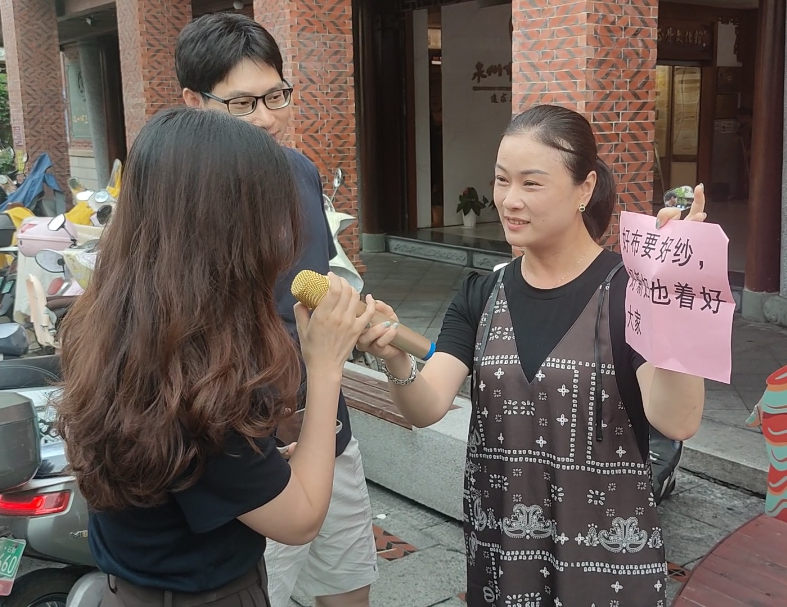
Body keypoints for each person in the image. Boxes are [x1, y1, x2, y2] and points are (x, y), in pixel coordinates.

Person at [358, 104, 707, 606]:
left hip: (608, 570)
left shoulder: (631, 292)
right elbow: (427, 406)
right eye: (502, 180)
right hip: (504, 561)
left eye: (532, 183)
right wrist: (395, 361)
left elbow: (679, 420)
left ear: (585, 188)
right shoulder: (481, 294)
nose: (510, 200)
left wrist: (670, 300)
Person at [55, 107, 376, 606]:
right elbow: (301, 519)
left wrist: (257, 463)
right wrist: (326, 365)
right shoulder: (202, 369)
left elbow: (192, 468)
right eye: (272, 213)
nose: (283, 236)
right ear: (230, 229)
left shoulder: (109, 324)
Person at [175, 14, 378, 607]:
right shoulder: (181, 200)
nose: (265, 118)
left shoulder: (300, 171)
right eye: (242, 104)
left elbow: (313, 283)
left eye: (275, 96)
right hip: (246, 443)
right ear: (193, 101)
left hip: (326, 424)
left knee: (348, 586)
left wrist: (352, 319)